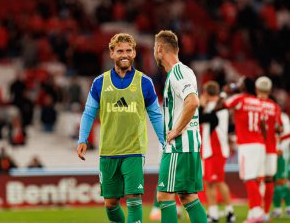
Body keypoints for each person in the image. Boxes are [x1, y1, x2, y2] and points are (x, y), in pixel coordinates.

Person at [76, 33, 164, 223]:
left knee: (134, 199)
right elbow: (89, 112)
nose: (124, 54)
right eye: (120, 51)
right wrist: (83, 139)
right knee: (110, 203)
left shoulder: (144, 82)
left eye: (128, 51)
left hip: (134, 149)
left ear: (134, 53)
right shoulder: (100, 83)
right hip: (108, 150)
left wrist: (165, 140)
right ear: (112, 53)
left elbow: (155, 114)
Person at [153, 29, 207, 223]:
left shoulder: (176, 72)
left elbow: (192, 102)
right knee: (188, 196)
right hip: (190, 144)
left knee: (164, 196)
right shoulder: (186, 71)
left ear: (160, 49)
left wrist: (175, 130)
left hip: (179, 145)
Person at [223, 77, 266, 223]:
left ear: (243, 86)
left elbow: (222, 106)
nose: (238, 83)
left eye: (240, 82)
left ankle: (256, 213)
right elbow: (264, 125)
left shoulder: (239, 98)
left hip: (247, 145)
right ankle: (257, 211)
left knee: (249, 179)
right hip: (260, 143)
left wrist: (225, 92)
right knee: (256, 179)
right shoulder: (259, 102)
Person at [199, 81, 235, 222]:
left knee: (218, 182)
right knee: (210, 182)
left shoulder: (215, 107)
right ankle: (214, 212)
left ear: (206, 93)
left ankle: (230, 212)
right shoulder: (220, 106)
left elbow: (201, 118)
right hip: (212, 149)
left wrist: (202, 105)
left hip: (215, 149)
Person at [255, 76, 283, 221]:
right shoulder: (275, 106)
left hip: (255, 147)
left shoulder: (253, 103)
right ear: (270, 90)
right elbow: (279, 128)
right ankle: (265, 213)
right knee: (269, 180)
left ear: (256, 89)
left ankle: (256, 211)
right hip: (271, 148)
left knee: (256, 180)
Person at [271, 110, 290, 218]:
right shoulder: (265, 115)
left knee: (281, 182)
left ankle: (288, 207)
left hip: (282, 154)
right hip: (269, 153)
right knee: (272, 182)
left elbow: (287, 134)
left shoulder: (283, 117)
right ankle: (277, 209)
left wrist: (280, 148)